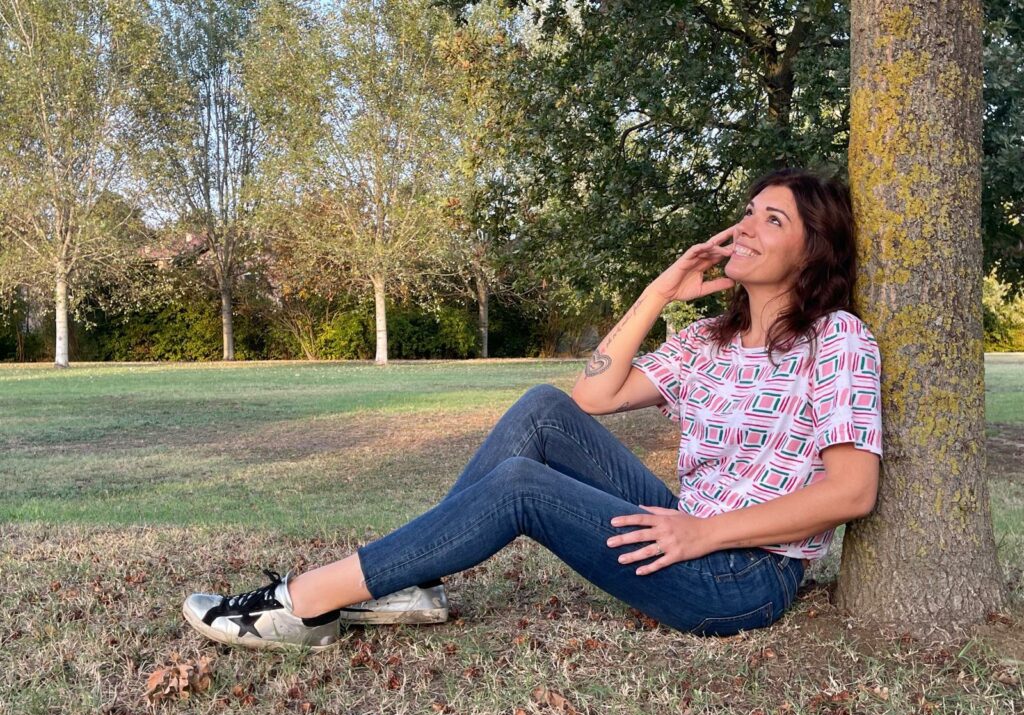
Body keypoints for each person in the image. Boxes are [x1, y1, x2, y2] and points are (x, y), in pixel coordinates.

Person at [182, 168, 882, 649]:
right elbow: (592, 396)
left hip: (742, 576)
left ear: (812, 247)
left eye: (773, 218)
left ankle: (304, 601)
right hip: (684, 528)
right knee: (543, 408)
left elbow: (852, 491)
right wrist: (660, 292)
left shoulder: (837, 341)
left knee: (521, 488)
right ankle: (410, 581)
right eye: (747, 212)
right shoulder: (708, 340)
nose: (745, 228)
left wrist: (705, 535)